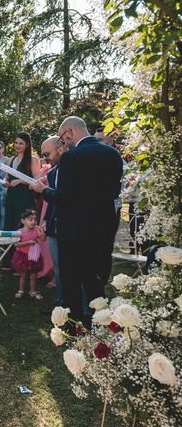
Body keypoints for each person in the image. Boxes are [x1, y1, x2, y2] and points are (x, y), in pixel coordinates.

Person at [30, 116, 123, 329]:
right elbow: (114, 192)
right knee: (96, 280)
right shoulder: (113, 154)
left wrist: (43, 190)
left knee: (72, 281)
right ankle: (98, 323)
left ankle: (74, 326)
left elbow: (64, 197)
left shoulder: (72, 156)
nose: (64, 143)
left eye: (63, 138)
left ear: (69, 132)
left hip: (74, 231)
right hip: (103, 228)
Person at [38, 136, 66, 308]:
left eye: (47, 154)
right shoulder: (53, 171)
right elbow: (52, 202)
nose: (46, 158)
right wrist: (45, 221)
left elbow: (63, 197)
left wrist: (43, 189)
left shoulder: (72, 170)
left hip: (68, 226)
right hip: (54, 225)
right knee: (58, 268)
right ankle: (61, 301)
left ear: (60, 149)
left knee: (68, 268)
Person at [3, 131, 41, 231]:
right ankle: (10, 247)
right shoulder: (11, 159)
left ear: (27, 144)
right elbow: (6, 177)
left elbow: (37, 181)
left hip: (25, 197)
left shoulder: (34, 160)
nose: (17, 145)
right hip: (11, 196)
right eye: (16, 143)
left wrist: (20, 181)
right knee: (9, 224)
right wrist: (5, 182)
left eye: (20, 143)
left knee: (21, 226)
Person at [11, 209, 46, 300]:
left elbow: (43, 239)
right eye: (30, 219)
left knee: (33, 275)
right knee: (23, 275)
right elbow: (15, 244)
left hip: (33, 257)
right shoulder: (20, 231)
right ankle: (21, 290)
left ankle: (33, 291)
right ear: (23, 221)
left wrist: (42, 232)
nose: (33, 222)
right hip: (22, 256)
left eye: (35, 220)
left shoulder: (36, 230)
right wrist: (27, 243)